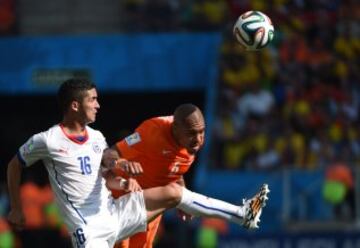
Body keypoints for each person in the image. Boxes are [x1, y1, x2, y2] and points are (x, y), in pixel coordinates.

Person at [7, 78, 270, 248]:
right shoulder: (48, 140)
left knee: (175, 193)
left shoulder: (97, 137)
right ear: (75, 106)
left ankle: (243, 214)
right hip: (89, 231)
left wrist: (122, 171)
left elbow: (104, 168)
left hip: (115, 212)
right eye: (93, 100)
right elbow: (14, 165)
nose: (98, 105)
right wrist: (17, 208)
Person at [110, 104, 206, 248]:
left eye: (202, 131)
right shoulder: (151, 132)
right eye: (192, 133)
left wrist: (183, 198)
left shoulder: (190, 144)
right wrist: (124, 164)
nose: (198, 139)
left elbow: (173, 170)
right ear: (175, 129)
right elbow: (111, 153)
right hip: (123, 199)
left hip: (151, 206)